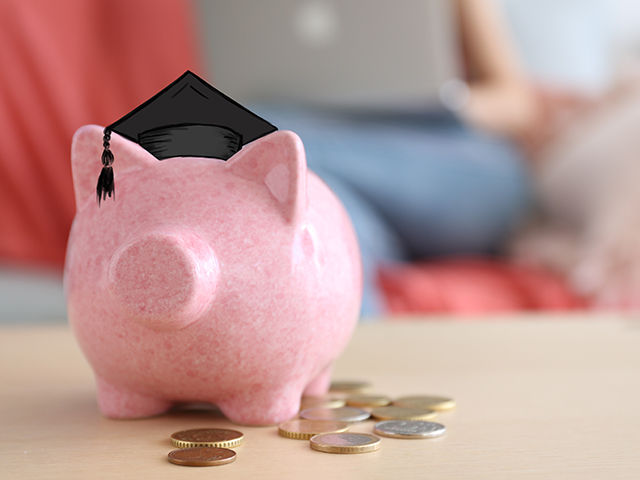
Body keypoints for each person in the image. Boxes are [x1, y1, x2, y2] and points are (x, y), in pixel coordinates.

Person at [253, 0, 541, 317]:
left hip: (449, 152)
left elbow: (517, 104)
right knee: (321, 193)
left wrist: (437, 100)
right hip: (322, 141)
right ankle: (363, 331)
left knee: (267, 138)